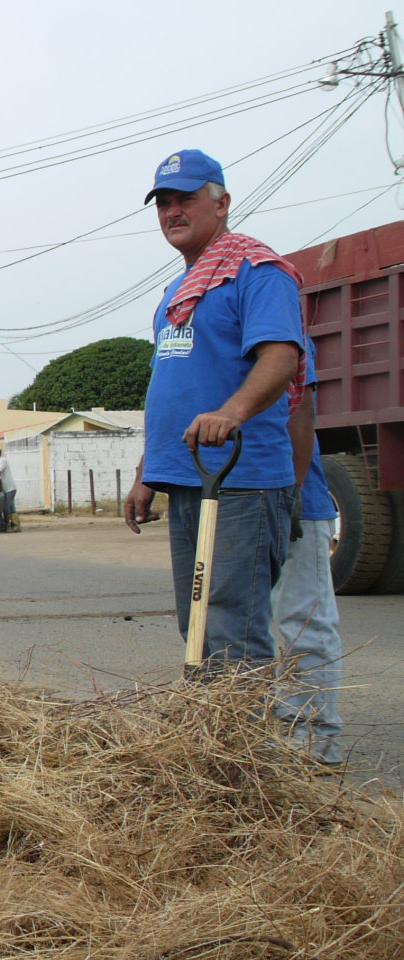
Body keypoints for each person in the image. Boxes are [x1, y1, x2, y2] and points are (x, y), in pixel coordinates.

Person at [122, 149, 304, 667]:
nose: (172, 212)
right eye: (163, 203)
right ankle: (209, 741)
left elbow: (281, 357)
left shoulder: (257, 271)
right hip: (185, 476)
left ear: (221, 203)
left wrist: (233, 413)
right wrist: (147, 471)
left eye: (186, 199)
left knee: (231, 628)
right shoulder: (177, 290)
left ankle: (243, 744)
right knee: (197, 625)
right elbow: (174, 387)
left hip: (239, 479)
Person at [272, 339, 346, 764]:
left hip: (297, 502)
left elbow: (302, 408)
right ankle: (268, 734)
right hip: (235, 504)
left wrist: (294, 492)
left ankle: (316, 744)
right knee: (247, 630)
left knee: (304, 624)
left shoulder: (277, 321)